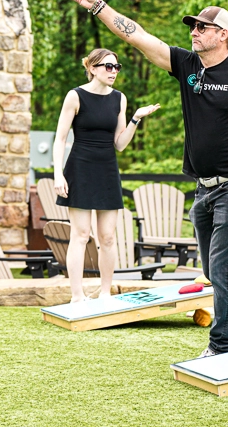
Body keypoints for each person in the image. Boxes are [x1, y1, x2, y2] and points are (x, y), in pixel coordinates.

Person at [63, 0, 228, 356]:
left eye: (202, 27)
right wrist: (97, 6)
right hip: (204, 187)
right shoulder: (187, 65)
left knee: (222, 269)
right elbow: (137, 36)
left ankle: (221, 346)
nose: (194, 32)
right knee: (215, 269)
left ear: (223, 34)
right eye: (192, 26)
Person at [53, 48, 160, 303]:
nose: (113, 71)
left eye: (116, 67)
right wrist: (58, 174)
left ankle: (104, 293)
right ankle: (77, 296)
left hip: (107, 169)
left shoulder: (119, 99)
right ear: (92, 68)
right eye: (108, 66)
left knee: (108, 237)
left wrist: (135, 118)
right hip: (79, 168)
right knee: (79, 235)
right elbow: (60, 139)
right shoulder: (75, 96)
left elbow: (120, 144)